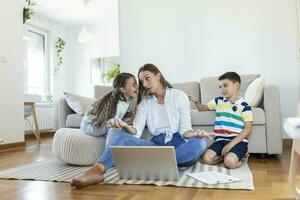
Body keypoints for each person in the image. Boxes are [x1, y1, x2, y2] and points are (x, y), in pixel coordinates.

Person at [70, 64, 209, 188]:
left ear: (158, 76)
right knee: (117, 133)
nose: (145, 83)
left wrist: (196, 134)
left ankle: (157, 164)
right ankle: (97, 170)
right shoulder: (145, 103)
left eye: (147, 78)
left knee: (201, 143)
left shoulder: (179, 96)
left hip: (178, 145)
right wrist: (124, 125)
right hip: (155, 146)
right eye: (142, 81)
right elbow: (136, 132)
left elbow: (185, 130)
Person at [188, 72, 253, 169]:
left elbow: (248, 128)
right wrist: (196, 101)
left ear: (236, 86)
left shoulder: (245, 106)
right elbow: (202, 108)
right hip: (220, 141)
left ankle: (239, 158)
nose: (222, 89)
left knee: (229, 163)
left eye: (225, 85)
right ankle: (228, 157)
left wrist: (231, 144)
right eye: (220, 86)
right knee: (205, 160)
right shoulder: (218, 101)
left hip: (237, 142)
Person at [80, 72, 138, 137]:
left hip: (89, 125)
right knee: (113, 127)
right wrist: (129, 122)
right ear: (123, 89)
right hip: (88, 127)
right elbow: (116, 125)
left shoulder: (126, 101)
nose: (137, 87)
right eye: (133, 85)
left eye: (136, 84)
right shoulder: (119, 105)